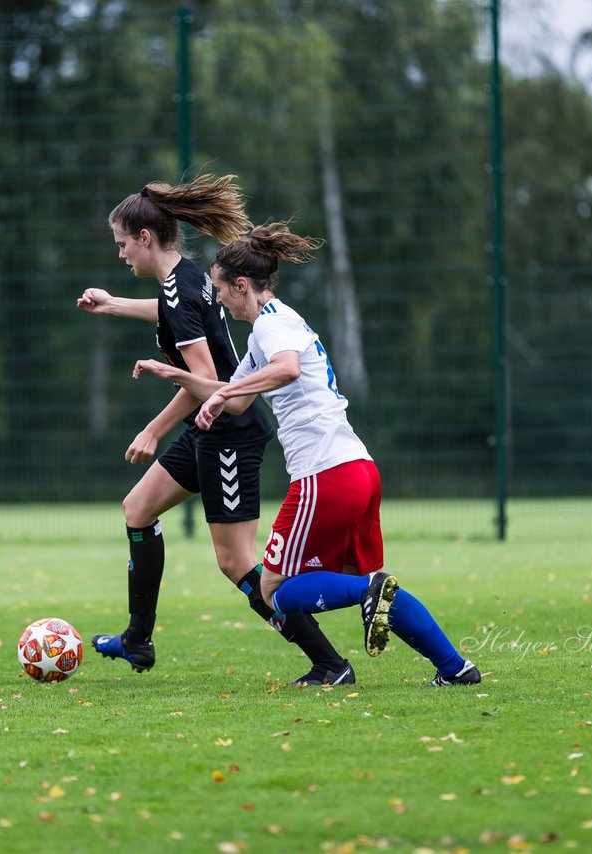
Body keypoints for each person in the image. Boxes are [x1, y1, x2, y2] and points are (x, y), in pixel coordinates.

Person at [133, 223, 482, 687]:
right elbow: (235, 397)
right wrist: (174, 375)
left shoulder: (275, 326)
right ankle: (455, 668)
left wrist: (219, 397)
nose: (217, 300)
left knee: (273, 590)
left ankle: (365, 597)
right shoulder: (273, 326)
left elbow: (287, 369)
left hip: (324, 475)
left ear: (242, 286)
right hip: (359, 470)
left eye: (220, 290)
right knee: (369, 582)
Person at [76, 174, 355, 686]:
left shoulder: (180, 290)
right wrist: (113, 303)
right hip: (211, 428)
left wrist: (153, 430)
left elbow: (206, 381)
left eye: (121, 245)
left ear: (144, 238)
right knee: (137, 509)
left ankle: (330, 663)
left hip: (230, 430)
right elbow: (172, 311)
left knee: (235, 562)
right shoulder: (184, 276)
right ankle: (138, 639)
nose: (120, 255)